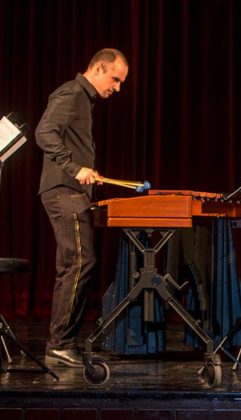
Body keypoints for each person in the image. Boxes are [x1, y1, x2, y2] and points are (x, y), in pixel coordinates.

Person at [36, 48, 128, 367]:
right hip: (64, 190)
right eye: (115, 79)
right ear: (98, 69)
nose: (117, 88)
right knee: (78, 262)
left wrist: (86, 170)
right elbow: (44, 132)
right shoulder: (72, 92)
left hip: (72, 189)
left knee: (78, 262)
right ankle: (60, 344)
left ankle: (63, 343)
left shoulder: (83, 100)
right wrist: (75, 169)